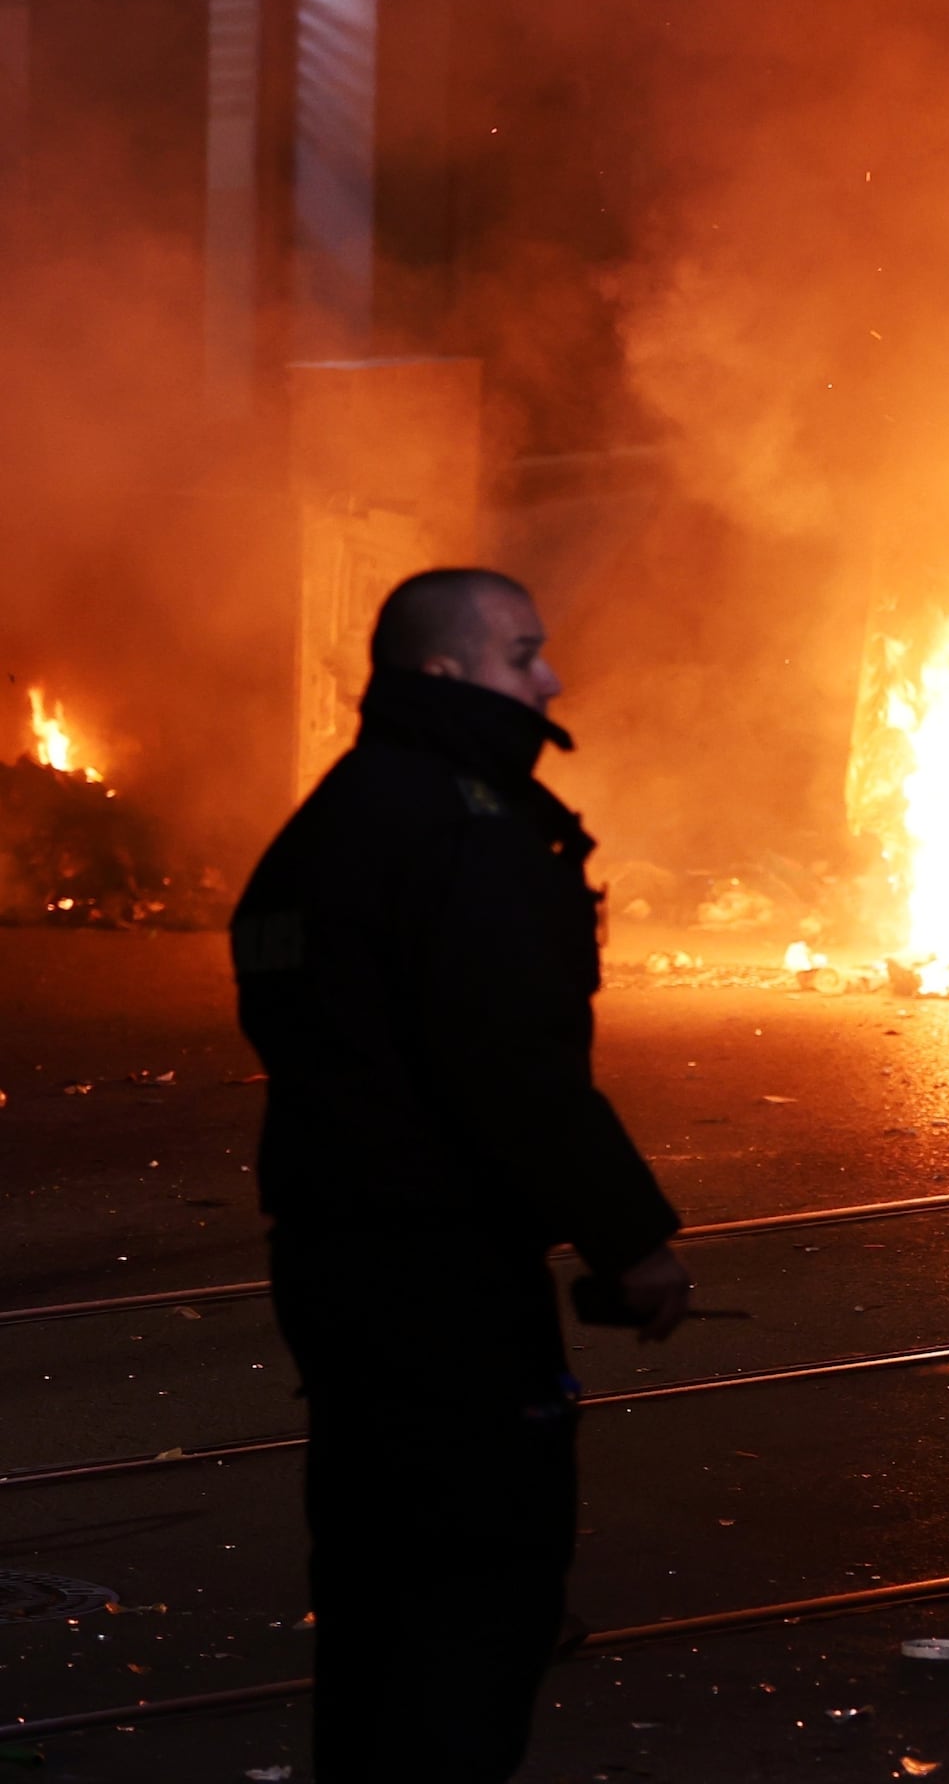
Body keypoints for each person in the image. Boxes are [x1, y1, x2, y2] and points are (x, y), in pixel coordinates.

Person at [231, 568, 689, 1784]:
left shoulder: (328, 822)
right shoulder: (465, 827)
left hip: (331, 1256)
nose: (549, 680)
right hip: (443, 1274)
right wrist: (631, 1241)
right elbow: (512, 1065)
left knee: (375, 1588)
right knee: (478, 1591)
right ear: (446, 673)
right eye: (523, 654)